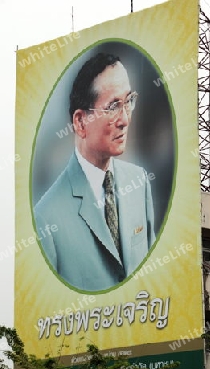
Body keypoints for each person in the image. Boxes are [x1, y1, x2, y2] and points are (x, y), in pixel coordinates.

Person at [34, 53, 155, 291]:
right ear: (80, 122)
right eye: (113, 106)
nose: (125, 119)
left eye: (129, 101)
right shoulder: (46, 218)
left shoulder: (139, 181)